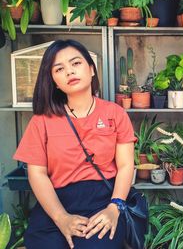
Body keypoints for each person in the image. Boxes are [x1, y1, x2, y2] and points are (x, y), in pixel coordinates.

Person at [13, 39, 137, 249]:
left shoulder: (115, 113)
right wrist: (61, 217)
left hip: (103, 199)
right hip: (56, 202)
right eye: (59, 69)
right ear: (53, 81)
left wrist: (114, 207)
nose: (69, 71)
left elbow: (125, 165)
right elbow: (37, 173)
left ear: (91, 69)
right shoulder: (42, 120)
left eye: (76, 63)